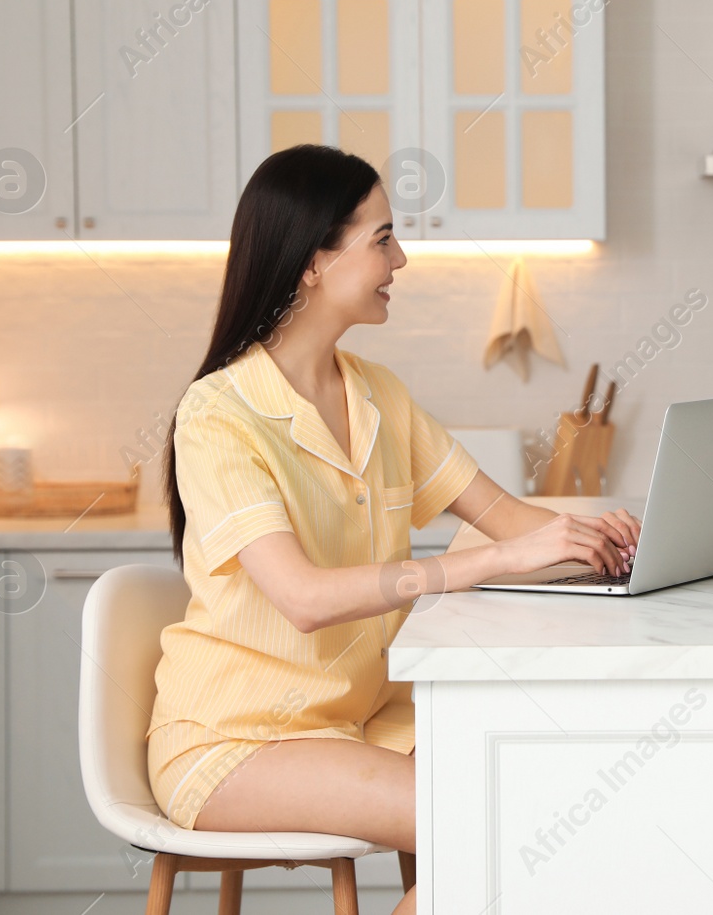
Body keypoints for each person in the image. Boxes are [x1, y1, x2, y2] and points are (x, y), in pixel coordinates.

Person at [149, 145, 641, 914]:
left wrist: (602, 542)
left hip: (361, 717)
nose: (401, 257)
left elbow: (509, 520)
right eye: (381, 238)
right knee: (494, 818)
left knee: (540, 797)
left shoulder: (378, 395)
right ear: (313, 261)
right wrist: (483, 563)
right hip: (236, 740)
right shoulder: (219, 414)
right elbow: (303, 597)